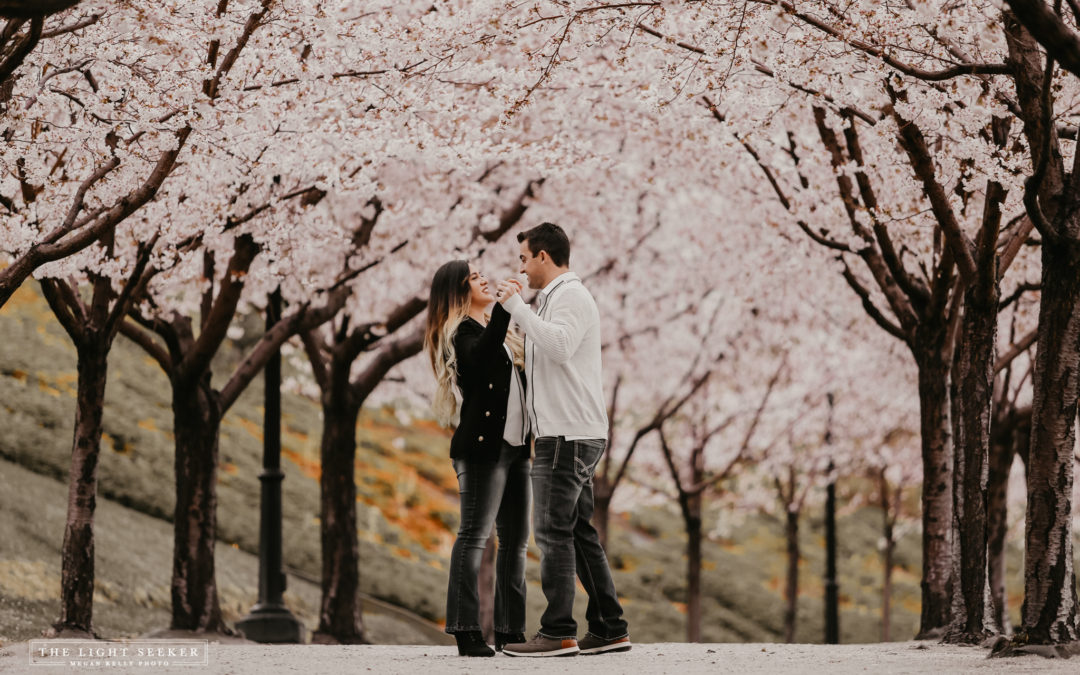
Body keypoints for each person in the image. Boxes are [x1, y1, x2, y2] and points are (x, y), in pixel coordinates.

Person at [495, 223, 631, 657]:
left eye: (523, 258)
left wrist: (517, 308)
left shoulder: (569, 295)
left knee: (553, 532)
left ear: (543, 257)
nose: (520, 267)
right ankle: (610, 627)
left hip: (567, 435)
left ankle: (557, 631)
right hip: (572, 432)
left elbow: (559, 347)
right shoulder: (553, 299)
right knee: (578, 532)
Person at [423, 260, 531, 657]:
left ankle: (510, 631)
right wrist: (504, 306)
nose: (484, 278)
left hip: (518, 448)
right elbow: (480, 359)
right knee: (474, 536)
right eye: (473, 277)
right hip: (483, 449)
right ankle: (466, 630)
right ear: (457, 290)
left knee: (516, 542)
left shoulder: (499, 332)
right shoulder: (459, 333)